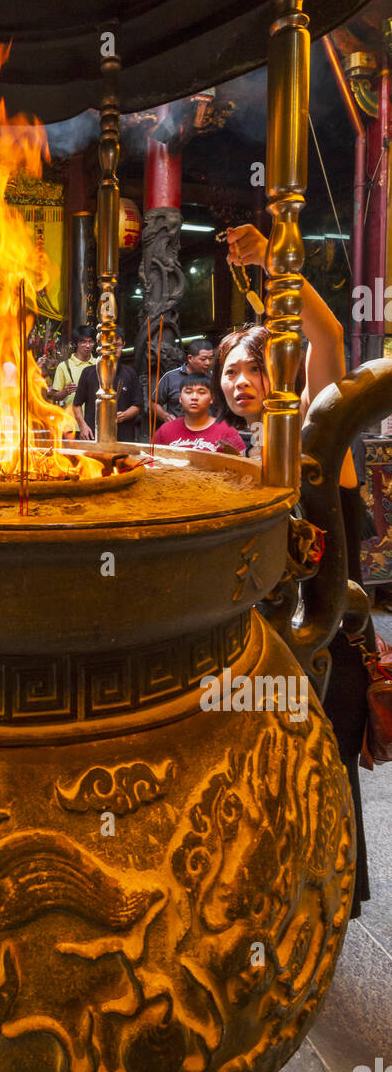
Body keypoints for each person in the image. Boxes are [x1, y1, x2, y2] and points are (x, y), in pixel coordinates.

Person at [221, 223, 371, 917]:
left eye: (256, 368)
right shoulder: (239, 455)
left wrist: (278, 269)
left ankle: (322, 911)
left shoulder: (315, 439)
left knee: (318, 791)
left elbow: (330, 337)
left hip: (318, 652)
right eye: (231, 371)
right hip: (260, 654)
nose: (242, 382)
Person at [72, 327, 143, 443]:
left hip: (123, 437)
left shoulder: (130, 374)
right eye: (109, 346)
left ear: (123, 344)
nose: (113, 350)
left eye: (117, 345)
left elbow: (137, 406)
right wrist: (83, 426)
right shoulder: (88, 373)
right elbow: (76, 404)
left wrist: (124, 415)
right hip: (93, 436)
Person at [154, 376, 245, 454]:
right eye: (188, 392)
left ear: (211, 399)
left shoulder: (227, 431)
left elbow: (243, 463)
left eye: (201, 392)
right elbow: (151, 461)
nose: (194, 397)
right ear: (180, 398)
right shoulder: (166, 430)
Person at [153, 339, 215, 423]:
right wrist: (165, 416)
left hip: (209, 430)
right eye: (203, 359)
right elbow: (154, 403)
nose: (208, 363)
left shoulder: (215, 378)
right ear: (190, 358)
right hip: (178, 431)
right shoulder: (170, 377)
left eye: (210, 358)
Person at [50, 327, 95, 418]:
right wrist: (66, 391)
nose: (87, 345)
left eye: (91, 342)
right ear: (75, 344)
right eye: (83, 342)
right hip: (71, 423)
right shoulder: (64, 366)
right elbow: (54, 396)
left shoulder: (99, 364)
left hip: (94, 422)